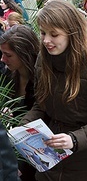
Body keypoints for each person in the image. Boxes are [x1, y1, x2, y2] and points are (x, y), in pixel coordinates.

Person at [21, 0, 87, 181]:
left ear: (71, 33)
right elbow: (41, 105)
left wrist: (74, 139)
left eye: (54, 34)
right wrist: (23, 127)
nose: (47, 40)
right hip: (50, 160)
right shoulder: (43, 61)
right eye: (43, 33)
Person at [0, 25, 39, 180]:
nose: (3, 59)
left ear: (24, 54)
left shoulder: (43, 81)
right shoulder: (7, 75)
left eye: (8, 55)